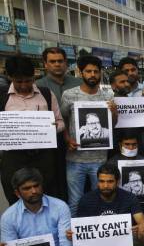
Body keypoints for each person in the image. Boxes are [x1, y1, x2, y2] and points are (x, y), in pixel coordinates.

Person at [0, 168, 94, 246]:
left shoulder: (60, 206)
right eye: (27, 188)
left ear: (41, 186)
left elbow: (65, 242)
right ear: (18, 193)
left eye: (36, 186)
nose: (33, 191)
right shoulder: (8, 217)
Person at [0, 55, 64, 204]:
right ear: (9, 77)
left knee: (47, 196)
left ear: (34, 74)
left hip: (43, 157)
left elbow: (61, 122)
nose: (24, 85)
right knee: (15, 196)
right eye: (18, 81)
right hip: (13, 158)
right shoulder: (2, 96)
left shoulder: (46, 94)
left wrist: (53, 128)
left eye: (28, 80)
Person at [61, 55, 117, 216]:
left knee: (101, 200)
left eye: (96, 71)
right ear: (80, 72)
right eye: (88, 71)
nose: (92, 75)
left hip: (99, 159)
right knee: (75, 202)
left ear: (100, 73)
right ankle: (76, 238)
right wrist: (67, 139)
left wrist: (114, 113)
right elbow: (63, 120)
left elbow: (112, 125)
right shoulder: (68, 95)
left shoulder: (108, 96)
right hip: (74, 159)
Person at [69, 163, 144, 246]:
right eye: (102, 181)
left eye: (110, 182)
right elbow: (82, 232)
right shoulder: (86, 199)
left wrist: (140, 228)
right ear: (97, 182)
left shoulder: (129, 197)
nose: (105, 185)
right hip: (99, 242)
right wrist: (73, 234)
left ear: (117, 182)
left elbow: (142, 223)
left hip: (122, 241)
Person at [36, 47, 81, 202]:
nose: (57, 64)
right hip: (50, 144)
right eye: (52, 61)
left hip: (78, 142)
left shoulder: (79, 84)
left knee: (76, 182)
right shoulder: (37, 86)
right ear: (45, 64)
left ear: (66, 63)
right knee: (54, 180)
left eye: (60, 61)